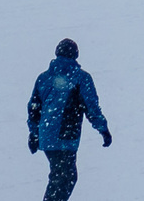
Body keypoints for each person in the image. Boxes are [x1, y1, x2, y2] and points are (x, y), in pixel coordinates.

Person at [28, 37, 111, 201]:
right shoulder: (81, 78)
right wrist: (103, 129)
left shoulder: (43, 78)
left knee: (62, 178)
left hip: (46, 137)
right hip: (65, 136)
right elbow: (91, 108)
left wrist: (34, 134)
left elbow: (33, 108)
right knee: (64, 180)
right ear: (76, 55)